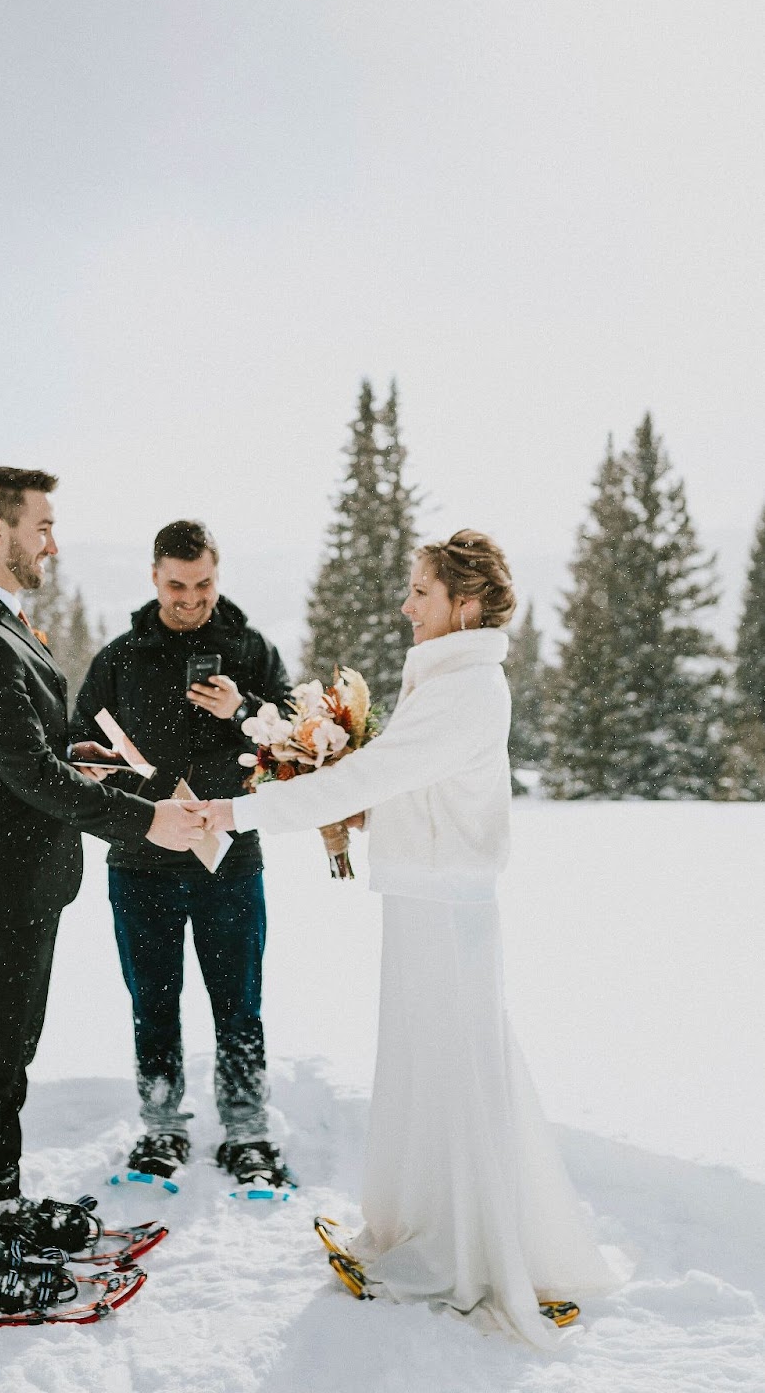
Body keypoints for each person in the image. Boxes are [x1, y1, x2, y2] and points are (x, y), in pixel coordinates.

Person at [201, 531, 624, 1347]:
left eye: (420, 592)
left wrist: (236, 813)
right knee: (434, 1070)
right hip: (424, 900)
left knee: (458, 1074)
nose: (406, 605)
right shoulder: (447, 679)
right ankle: (430, 1227)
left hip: (446, 910)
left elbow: (372, 773)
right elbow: (406, 785)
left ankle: (462, 1255)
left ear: (464, 605)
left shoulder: (466, 687)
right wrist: (361, 809)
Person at [0, 468, 204, 1313]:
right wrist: (144, 817)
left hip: (24, 881)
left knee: (10, 1057)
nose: (53, 541)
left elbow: (26, 757)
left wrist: (80, 759)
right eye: (42, 525)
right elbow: (28, 775)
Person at [69, 519, 295, 1189]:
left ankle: (247, 1130)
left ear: (217, 575)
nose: (191, 598)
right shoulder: (117, 658)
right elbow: (79, 741)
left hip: (230, 858)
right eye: (177, 585)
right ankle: (162, 1126)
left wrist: (244, 706)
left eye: (202, 584)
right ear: (153, 577)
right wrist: (89, 761)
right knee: (153, 1000)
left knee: (238, 1000)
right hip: (142, 861)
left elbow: (297, 745)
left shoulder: (251, 648)